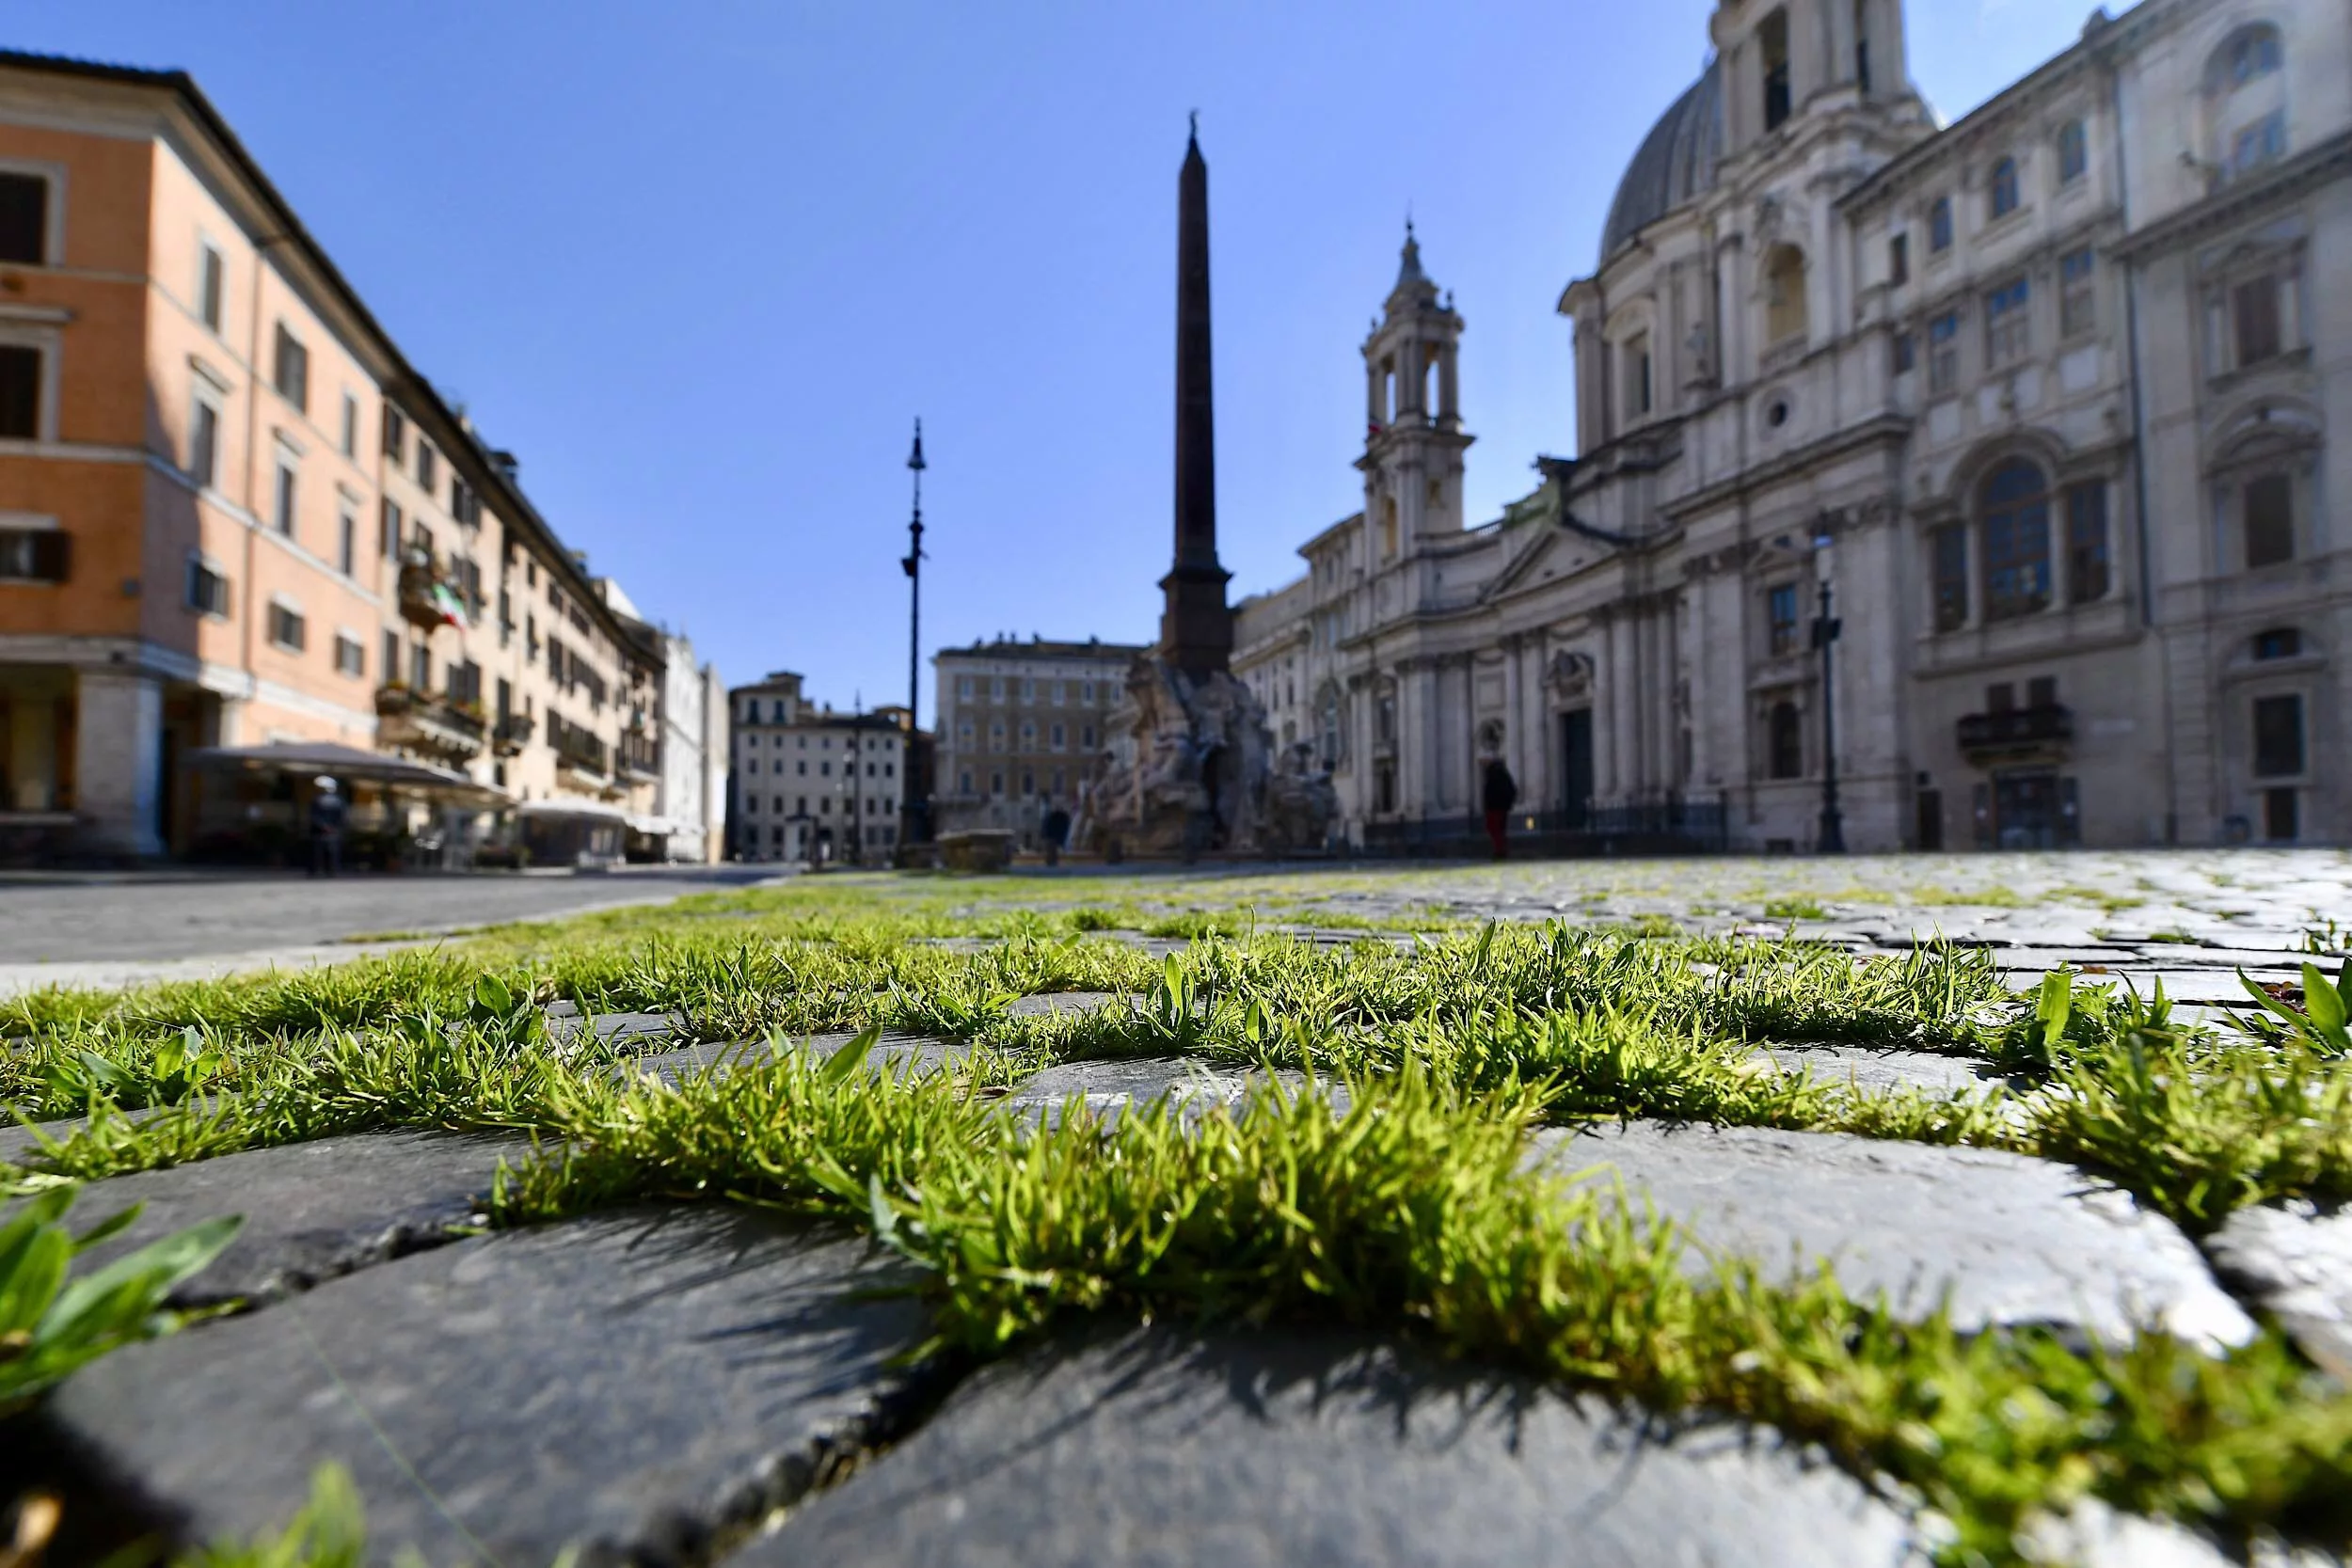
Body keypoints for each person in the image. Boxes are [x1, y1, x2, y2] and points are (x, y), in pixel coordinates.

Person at [309, 776, 348, 878]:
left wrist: (324, 826)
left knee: (319, 852)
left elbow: (314, 815)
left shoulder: (318, 799)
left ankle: (319, 870)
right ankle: (330, 870)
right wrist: (334, 827)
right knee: (331, 852)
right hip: (332, 831)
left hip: (321, 831)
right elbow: (342, 816)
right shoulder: (339, 801)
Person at [1481, 756, 1518, 861]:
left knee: (1495, 830)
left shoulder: (1492, 777)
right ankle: (1501, 850)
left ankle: (1499, 851)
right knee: (1500, 831)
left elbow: (1488, 794)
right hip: (1502, 809)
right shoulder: (1504, 776)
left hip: (1494, 809)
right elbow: (1512, 790)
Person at [1041, 800, 1073, 867]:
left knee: (1052, 847)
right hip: (1055, 837)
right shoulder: (1054, 817)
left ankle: (1053, 862)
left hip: (1055, 837)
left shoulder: (1052, 817)